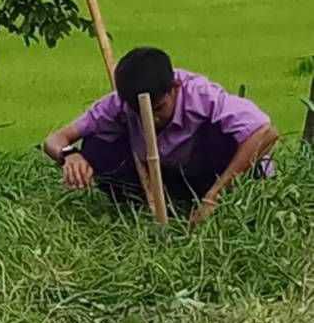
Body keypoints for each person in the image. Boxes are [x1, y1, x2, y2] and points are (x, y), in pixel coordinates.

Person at [43, 47, 278, 226]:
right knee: (95, 145)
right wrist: (70, 155)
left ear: (175, 87)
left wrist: (213, 197)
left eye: (159, 108)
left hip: (212, 171)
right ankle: (146, 206)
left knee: (225, 136)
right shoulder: (119, 103)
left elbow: (265, 131)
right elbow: (54, 140)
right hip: (174, 173)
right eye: (141, 112)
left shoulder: (201, 96)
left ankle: (221, 201)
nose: (152, 119)